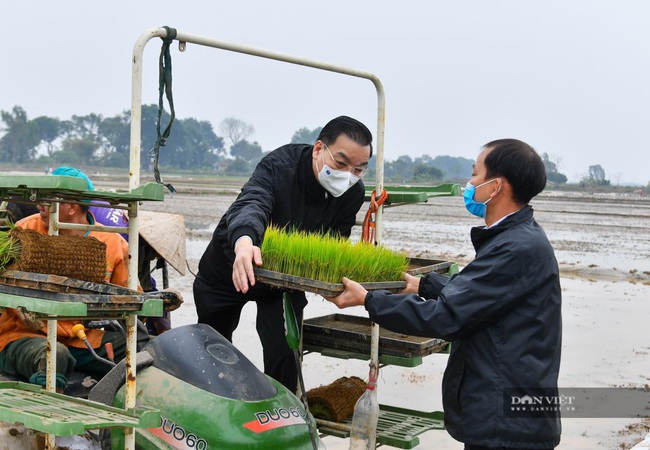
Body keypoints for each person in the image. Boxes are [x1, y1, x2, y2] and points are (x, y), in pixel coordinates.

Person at [326, 139, 562, 450]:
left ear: (496, 186)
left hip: (505, 425)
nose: (470, 183)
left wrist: (368, 300)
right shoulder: (518, 238)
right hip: (509, 418)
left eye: (476, 175)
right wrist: (422, 285)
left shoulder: (515, 247)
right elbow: (481, 297)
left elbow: (447, 317)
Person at [193, 115, 373, 391]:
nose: (348, 174)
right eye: (341, 163)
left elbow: (334, 242)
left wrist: (326, 281)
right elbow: (253, 202)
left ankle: (281, 416)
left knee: (285, 354)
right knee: (213, 350)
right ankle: (213, 405)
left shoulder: (351, 193)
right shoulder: (280, 166)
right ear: (318, 149)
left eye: (358, 169)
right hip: (231, 267)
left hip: (283, 284)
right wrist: (244, 242)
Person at [0, 173, 132, 392]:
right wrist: (19, 307)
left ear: (71, 206)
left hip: (84, 336)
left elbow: (128, 296)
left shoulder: (112, 241)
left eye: (48, 201)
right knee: (55, 355)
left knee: (140, 348)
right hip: (28, 334)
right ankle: (47, 416)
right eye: (40, 200)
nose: (40, 206)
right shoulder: (24, 231)